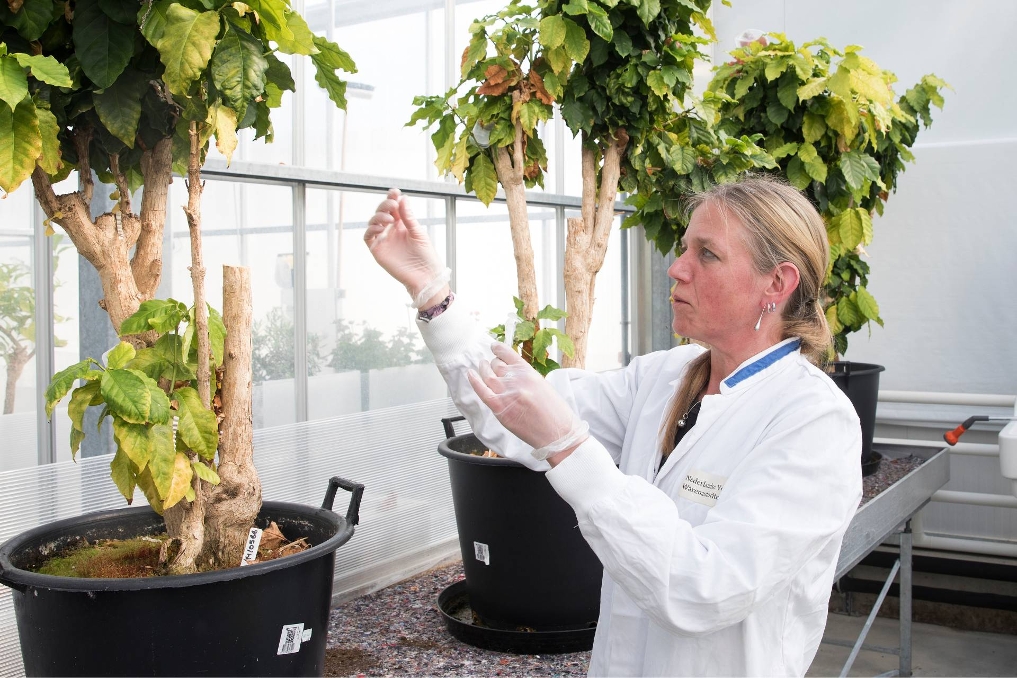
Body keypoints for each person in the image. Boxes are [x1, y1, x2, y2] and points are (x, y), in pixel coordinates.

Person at [364, 176, 862, 677]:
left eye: (707, 254)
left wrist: (570, 448)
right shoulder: (663, 377)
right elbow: (510, 407)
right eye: (685, 247)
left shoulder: (813, 422)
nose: (677, 267)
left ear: (776, 283)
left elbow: (705, 590)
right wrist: (433, 294)